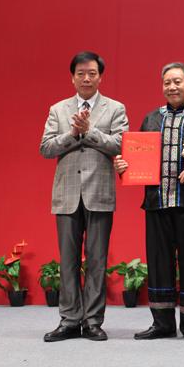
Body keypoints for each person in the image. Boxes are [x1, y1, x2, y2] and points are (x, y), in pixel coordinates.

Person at [116, 62, 184, 342]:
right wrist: (125, 166)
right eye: (167, 82)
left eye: (177, 81)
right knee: (158, 263)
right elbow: (138, 155)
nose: (172, 87)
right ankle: (162, 322)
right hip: (157, 203)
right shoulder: (152, 118)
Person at [40, 51, 128, 342]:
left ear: (100, 77)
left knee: (97, 260)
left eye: (92, 73)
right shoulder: (58, 109)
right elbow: (46, 148)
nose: (86, 78)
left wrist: (89, 131)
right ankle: (69, 320)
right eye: (81, 74)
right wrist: (72, 134)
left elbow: (120, 145)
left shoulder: (115, 108)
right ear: (73, 78)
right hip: (66, 194)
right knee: (67, 261)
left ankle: (92, 321)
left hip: (99, 192)